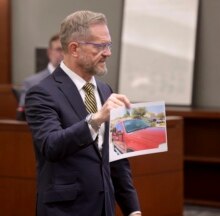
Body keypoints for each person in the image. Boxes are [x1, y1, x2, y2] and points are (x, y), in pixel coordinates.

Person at [25, 10, 141, 216]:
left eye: (109, 45)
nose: (108, 53)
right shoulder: (42, 93)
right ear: (74, 48)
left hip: (105, 207)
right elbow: (51, 145)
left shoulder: (106, 91)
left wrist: (133, 209)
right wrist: (95, 120)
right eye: (100, 46)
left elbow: (118, 159)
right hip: (66, 210)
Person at [17, 33, 63, 120]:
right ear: (49, 52)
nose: (63, 53)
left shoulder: (77, 80)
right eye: (59, 49)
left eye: (65, 50)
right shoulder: (32, 83)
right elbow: (23, 114)